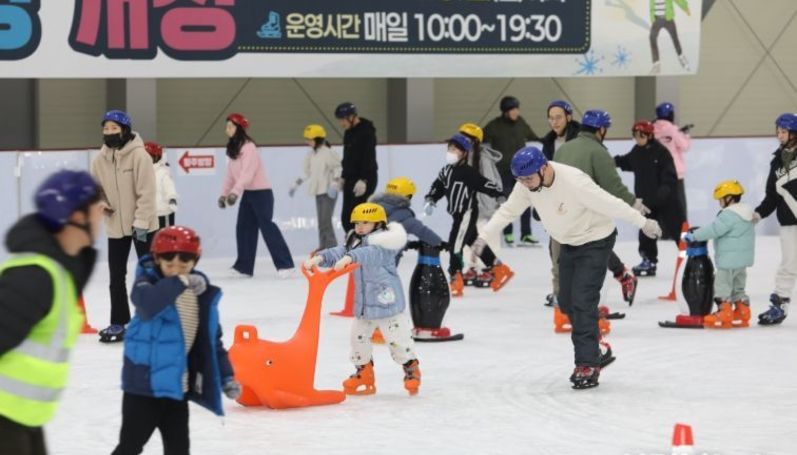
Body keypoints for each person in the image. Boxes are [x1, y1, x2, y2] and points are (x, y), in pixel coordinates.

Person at [475, 147, 662, 389]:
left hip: (595, 240)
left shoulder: (574, 182)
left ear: (544, 168)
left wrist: (644, 222)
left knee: (583, 300)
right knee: (565, 300)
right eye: (520, 180)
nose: (525, 185)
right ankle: (595, 347)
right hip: (568, 243)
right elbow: (508, 211)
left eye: (528, 179)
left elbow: (611, 204)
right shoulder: (527, 184)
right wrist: (484, 236)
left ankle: (588, 364)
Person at [112, 226, 240, 455]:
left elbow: (211, 343)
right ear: (156, 259)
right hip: (143, 389)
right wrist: (181, 282)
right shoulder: (145, 284)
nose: (176, 271)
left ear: (195, 261)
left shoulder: (200, 295)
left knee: (179, 449)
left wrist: (226, 376)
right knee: (130, 447)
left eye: (184, 266)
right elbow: (149, 306)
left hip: (176, 389)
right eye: (169, 265)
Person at [0, 170, 101, 455]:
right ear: (77, 216)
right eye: (97, 207)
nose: (102, 215)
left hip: (24, 417)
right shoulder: (35, 275)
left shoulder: (58, 272)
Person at [304, 203, 421, 396]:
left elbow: (371, 255)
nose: (359, 226)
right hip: (365, 305)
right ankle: (364, 373)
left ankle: (411, 369)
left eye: (365, 222)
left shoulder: (386, 243)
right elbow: (340, 252)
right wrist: (321, 258)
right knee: (357, 339)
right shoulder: (355, 241)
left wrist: (351, 257)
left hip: (387, 304)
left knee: (397, 340)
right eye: (357, 222)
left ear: (378, 223)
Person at [554, 109, 641, 305]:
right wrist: (633, 203)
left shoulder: (564, 149)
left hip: (562, 212)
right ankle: (617, 280)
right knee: (593, 249)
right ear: (601, 129)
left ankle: (575, 300)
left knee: (576, 252)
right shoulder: (599, 152)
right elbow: (613, 186)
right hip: (587, 212)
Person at [90, 110, 158, 343]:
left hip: (143, 226)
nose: (109, 133)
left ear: (125, 130)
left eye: (114, 128)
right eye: (106, 128)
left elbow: (147, 193)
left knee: (149, 275)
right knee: (116, 276)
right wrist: (102, 205)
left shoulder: (140, 156)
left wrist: (140, 222)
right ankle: (119, 322)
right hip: (116, 227)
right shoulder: (99, 160)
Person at [423, 133, 513, 297]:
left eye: (455, 149)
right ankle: (500, 269)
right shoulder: (446, 171)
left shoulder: (468, 172)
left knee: (454, 245)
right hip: (457, 215)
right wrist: (431, 199)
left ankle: (455, 277)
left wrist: (499, 194)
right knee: (473, 242)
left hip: (467, 213)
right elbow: (438, 186)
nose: (450, 152)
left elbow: (484, 184)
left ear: (464, 153)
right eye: (449, 148)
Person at [218, 113, 295, 278]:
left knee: (267, 227)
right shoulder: (233, 148)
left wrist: (234, 193)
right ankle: (244, 268)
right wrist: (224, 194)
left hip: (262, 194)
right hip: (247, 194)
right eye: (227, 127)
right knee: (244, 228)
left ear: (239, 129)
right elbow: (230, 175)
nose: (227, 130)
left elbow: (248, 173)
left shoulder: (248, 147)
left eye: (230, 127)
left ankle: (286, 265)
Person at [615, 120, 684, 275]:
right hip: (647, 203)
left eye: (641, 136)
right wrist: (610, 161)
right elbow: (626, 161)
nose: (637, 139)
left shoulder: (661, 152)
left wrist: (664, 191)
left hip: (667, 201)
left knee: (678, 229)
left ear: (650, 135)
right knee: (646, 232)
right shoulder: (637, 151)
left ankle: (689, 258)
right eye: (635, 136)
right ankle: (648, 260)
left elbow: (670, 175)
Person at [684, 181, 754, 328]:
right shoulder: (747, 214)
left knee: (722, 286)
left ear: (729, 198)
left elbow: (713, 230)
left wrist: (694, 235)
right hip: (743, 261)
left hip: (728, 261)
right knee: (738, 287)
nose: (719, 202)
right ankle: (743, 311)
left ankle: (724, 313)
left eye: (721, 199)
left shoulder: (728, 215)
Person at [754, 113, 797, 326]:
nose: (780, 135)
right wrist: (758, 213)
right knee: (788, 265)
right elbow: (772, 196)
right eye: (778, 131)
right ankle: (780, 305)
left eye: (784, 131)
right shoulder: (776, 163)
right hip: (790, 224)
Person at [539, 100, 581, 306]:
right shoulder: (548, 142)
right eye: (551, 118)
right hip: (556, 204)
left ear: (568, 117)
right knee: (555, 251)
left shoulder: (581, 139)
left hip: (579, 203)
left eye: (558, 117)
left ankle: (579, 293)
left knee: (587, 250)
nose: (554, 122)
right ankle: (559, 293)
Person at [483, 95, 539, 246]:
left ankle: (526, 234)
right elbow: (481, 138)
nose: (516, 112)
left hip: (523, 170)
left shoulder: (520, 123)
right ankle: (508, 233)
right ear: (505, 111)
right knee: (507, 202)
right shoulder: (494, 125)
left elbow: (533, 137)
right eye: (513, 110)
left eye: (517, 109)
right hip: (503, 171)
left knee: (526, 199)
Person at [458, 122, 504, 285]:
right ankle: (472, 267)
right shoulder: (463, 158)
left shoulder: (483, 158)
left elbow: (491, 183)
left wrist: (488, 205)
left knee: (486, 235)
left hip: (485, 206)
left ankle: (490, 268)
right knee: (469, 237)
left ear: (474, 141)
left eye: (465, 138)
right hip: (470, 206)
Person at [288, 124, 342, 250]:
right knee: (321, 222)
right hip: (318, 191)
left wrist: (334, 184)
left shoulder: (328, 153)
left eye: (309, 139)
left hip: (329, 191)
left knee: (326, 222)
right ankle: (323, 246)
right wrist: (296, 184)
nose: (307, 141)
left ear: (317, 139)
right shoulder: (311, 154)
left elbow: (338, 167)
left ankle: (331, 248)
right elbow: (306, 172)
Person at [371, 177, 443, 264]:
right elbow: (423, 231)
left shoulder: (371, 208)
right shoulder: (404, 215)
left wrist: (407, 243)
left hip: (365, 257)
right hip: (387, 262)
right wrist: (440, 243)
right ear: (407, 196)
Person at [335, 102, 378, 233]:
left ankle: (363, 248)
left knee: (359, 217)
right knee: (346, 218)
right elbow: (347, 158)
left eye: (342, 120)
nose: (341, 123)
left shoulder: (367, 132)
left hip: (365, 178)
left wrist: (364, 179)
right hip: (350, 178)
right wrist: (342, 178)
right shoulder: (348, 133)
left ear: (352, 117)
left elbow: (369, 157)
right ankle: (352, 245)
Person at [653, 102, 691, 216]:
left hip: (657, 174)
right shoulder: (673, 129)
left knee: (661, 207)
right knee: (679, 208)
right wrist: (686, 135)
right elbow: (685, 146)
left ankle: (661, 232)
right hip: (675, 175)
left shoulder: (652, 129)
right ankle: (682, 233)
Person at [649, 0, 691, 74]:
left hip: (668, 19)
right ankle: (656, 64)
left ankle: (681, 56)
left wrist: (685, 8)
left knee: (675, 38)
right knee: (652, 38)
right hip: (657, 20)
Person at [144, 141, 179, 229]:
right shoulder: (142, 173)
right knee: (153, 240)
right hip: (149, 214)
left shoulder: (163, 172)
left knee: (166, 237)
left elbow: (169, 187)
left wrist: (172, 198)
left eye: (148, 157)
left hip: (164, 213)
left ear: (156, 157)